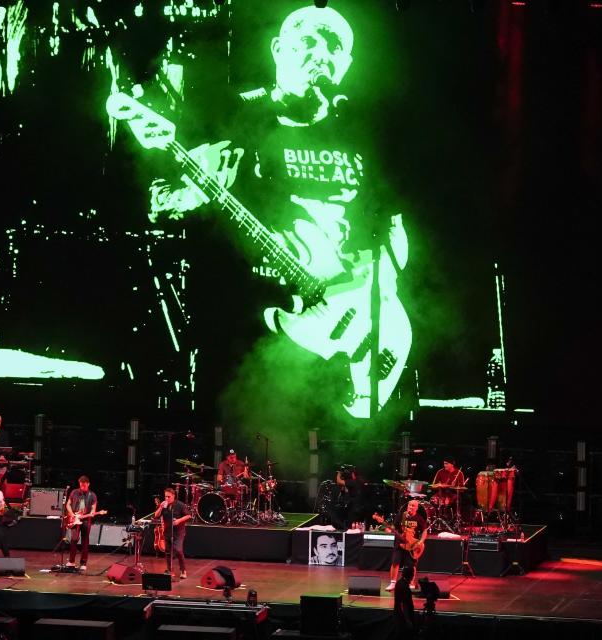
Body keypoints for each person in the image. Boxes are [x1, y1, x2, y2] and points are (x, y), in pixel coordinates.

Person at [133, 5, 410, 420]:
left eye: (334, 51)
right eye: (309, 44)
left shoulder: (357, 131)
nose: (321, 57)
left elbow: (391, 226)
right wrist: (197, 192)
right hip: (253, 325)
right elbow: (160, 202)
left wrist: (376, 292)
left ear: (346, 66)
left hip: (341, 317)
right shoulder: (236, 116)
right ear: (279, 49)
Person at [385, 499, 427, 592]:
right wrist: (389, 530)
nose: (411, 507)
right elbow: (394, 527)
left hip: (412, 545)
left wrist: (421, 542)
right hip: (399, 543)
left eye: (413, 506)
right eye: (409, 505)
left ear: (417, 508)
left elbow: (424, 531)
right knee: (395, 562)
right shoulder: (401, 516)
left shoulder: (419, 518)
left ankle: (411, 582)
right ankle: (393, 583)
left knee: (412, 565)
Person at [154, 486, 192, 579]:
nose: (167, 498)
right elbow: (156, 515)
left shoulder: (180, 505)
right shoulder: (164, 505)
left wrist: (179, 520)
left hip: (178, 532)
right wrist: (160, 507)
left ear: (173, 496)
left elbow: (188, 516)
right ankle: (170, 570)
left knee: (178, 550)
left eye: (169, 497)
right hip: (167, 531)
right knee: (168, 552)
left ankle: (183, 570)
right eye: (165, 496)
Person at [65, 475, 98, 572]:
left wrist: (92, 513)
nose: (82, 487)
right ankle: (71, 561)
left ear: (88, 484)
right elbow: (68, 504)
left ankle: (83, 563)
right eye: (81, 485)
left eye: (84, 485)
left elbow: (93, 509)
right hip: (74, 519)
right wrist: (71, 514)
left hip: (85, 520)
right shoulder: (74, 492)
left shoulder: (92, 495)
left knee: (85, 541)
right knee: (74, 539)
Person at [325, 465, 364, 530]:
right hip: (359, 506)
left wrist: (339, 472)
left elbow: (339, 481)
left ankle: (349, 535)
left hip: (354, 508)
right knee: (355, 524)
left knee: (350, 524)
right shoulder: (360, 481)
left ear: (353, 474)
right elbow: (345, 490)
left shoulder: (353, 482)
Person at [393, 565, 417, 640]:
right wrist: (407, 620)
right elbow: (405, 604)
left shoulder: (399, 583)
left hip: (397, 614)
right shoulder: (405, 587)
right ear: (411, 575)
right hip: (403, 617)